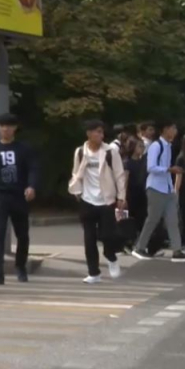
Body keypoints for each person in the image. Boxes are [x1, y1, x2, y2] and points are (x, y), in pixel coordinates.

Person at [0, 113, 38, 285]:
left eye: (9, 126)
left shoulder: (24, 149)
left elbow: (33, 169)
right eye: (2, 126)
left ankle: (20, 266)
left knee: (22, 234)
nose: (5, 129)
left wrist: (31, 186)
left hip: (19, 195)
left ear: (15, 128)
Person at [68, 119, 127, 283]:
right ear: (89, 133)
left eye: (102, 132)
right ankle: (94, 272)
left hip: (106, 200)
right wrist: (77, 191)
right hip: (87, 200)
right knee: (89, 238)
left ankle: (111, 256)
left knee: (107, 235)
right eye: (97, 131)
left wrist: (121, 197)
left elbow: (119, 175)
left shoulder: (110, 152)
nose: (100, 135)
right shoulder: (80, 151)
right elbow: (75, 173)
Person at [131, 120, 185, 262]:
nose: (175, 131)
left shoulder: (168, 146)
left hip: (167, 188)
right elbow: (151, 167)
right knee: (152, 219)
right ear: (165, 130)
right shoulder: (156, 146)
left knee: (173, 220)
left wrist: (171, 178)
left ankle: (177, 251)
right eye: (173, 128)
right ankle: (139, 247)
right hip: (155, 188)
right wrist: (169, 169)